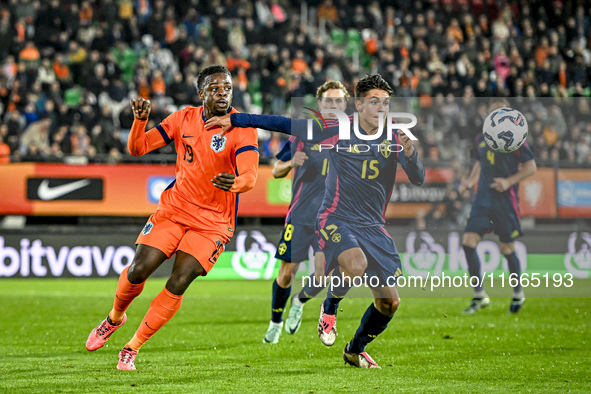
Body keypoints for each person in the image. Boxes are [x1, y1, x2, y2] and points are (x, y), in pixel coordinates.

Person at [206, 74, 425, 369]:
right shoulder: (335, 129)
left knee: (389, 303)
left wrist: (411, 154)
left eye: (385, 102)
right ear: (358, 104)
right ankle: (330, 305)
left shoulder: (395, 133)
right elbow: (285, 124)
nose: (381, 108)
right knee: (355, 265)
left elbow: (418, 178)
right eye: (374, 102)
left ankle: (354, 348)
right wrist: (238, 119)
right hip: (336, 217)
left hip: (374, 226)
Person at [85, 65, 259, 371]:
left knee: (179, 280)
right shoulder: (183, 119)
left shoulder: (241, 127)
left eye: (227, 88)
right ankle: (114, 318)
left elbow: (250, 175)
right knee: (139, 270)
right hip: (175, 210)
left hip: (214, 222)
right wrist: (140, 122)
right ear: (201, 93)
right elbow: (138, 148)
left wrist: (237, 183)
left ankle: (132, 347)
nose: (223, 93)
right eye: (215, 88)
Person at [264, 81, 349, 344]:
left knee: (324, 274)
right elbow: (276, 171)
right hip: (300, 215)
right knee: (287, 272)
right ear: (320, 104)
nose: (333, 106)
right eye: (328, 101)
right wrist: (291, 162)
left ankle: (300, 302)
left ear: (344, 105)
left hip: (331, 217)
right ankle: (275, 321)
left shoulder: (350, 136)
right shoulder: (304, 133)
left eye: (338, 102)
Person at [459, 98, 537, 314]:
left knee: (507, 248)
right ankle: (479, 295)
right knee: (468, 243)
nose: (494, 115)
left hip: (505, 201)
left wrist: (509, 181)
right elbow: (479, 163)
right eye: (492, 111)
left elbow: (531, 167)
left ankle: (518, 294)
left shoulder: (516, 138)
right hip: (482, 199)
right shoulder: (481, 138)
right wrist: (469, 182)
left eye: (499, 111)